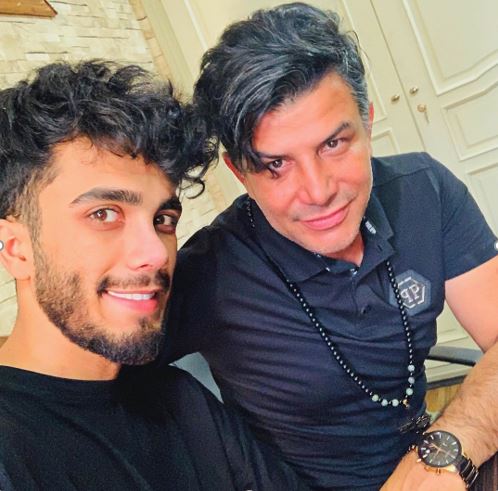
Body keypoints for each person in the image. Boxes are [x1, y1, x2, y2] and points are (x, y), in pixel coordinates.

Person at [161, 3, 498, 490]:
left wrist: (443, 453)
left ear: (367, 122)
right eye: (276, 165)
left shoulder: (425, 192)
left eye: (334, 144)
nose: (318, 192)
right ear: (239, 172)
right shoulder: (210, 271)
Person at [0, 60, 309, 490]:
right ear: (16, 249)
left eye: (163, 219)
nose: (155, 254)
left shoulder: (182, 401)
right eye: (104, 214)